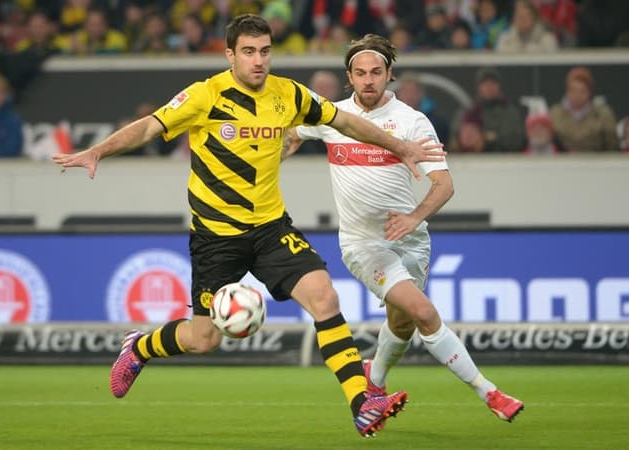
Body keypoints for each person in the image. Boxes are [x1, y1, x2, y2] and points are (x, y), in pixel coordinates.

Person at [53, 14, 447, 438]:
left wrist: (401, 145)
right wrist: (100, 151)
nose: (258, 60)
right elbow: (151, 126)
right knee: (204, 339)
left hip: (270, 230)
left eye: (264, 51)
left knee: (324, 297)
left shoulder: (289, 95)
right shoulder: (207, 95)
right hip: (216, 238)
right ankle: (141, 346)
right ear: (230, 55)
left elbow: (346, 122)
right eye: (248, 52)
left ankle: (362, 402)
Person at [284, 33, 524, 424]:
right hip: (363, 244)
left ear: (388, 73)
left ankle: (373, 383)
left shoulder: (412, 122)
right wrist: (277, 151)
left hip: (411, 241)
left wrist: (414, 217)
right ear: (349, 76)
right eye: (360, 73)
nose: (368, 80)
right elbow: (293, 133)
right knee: (424, 312)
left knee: (402, 321)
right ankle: (491, 394)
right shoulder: (332, 116)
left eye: (376, 72)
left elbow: (444, 184)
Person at [452, 66, 526, 153]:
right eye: (485, 83)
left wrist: (490, 138)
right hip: (471, 160)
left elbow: (518, 141)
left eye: (493, 83)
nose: (489, 87)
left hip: (504, 160)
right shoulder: (468, 111)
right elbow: (455, 139)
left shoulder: (510, 112)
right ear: (479, 87)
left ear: (499, 86)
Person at [549, 66, 619, 152]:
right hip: (563, 162)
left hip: (597, 162)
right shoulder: (555, 113)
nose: (577, 95)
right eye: (573, 90)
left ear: (589, 92)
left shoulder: (603, 114)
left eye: (582, 91)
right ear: (567, 91)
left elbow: (613, 146)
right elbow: (550, 144)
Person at [0, 72, 23, 158]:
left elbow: (12, 149)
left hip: (4, 166)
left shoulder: (12, 119)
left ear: (5, 95)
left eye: (0, 92)